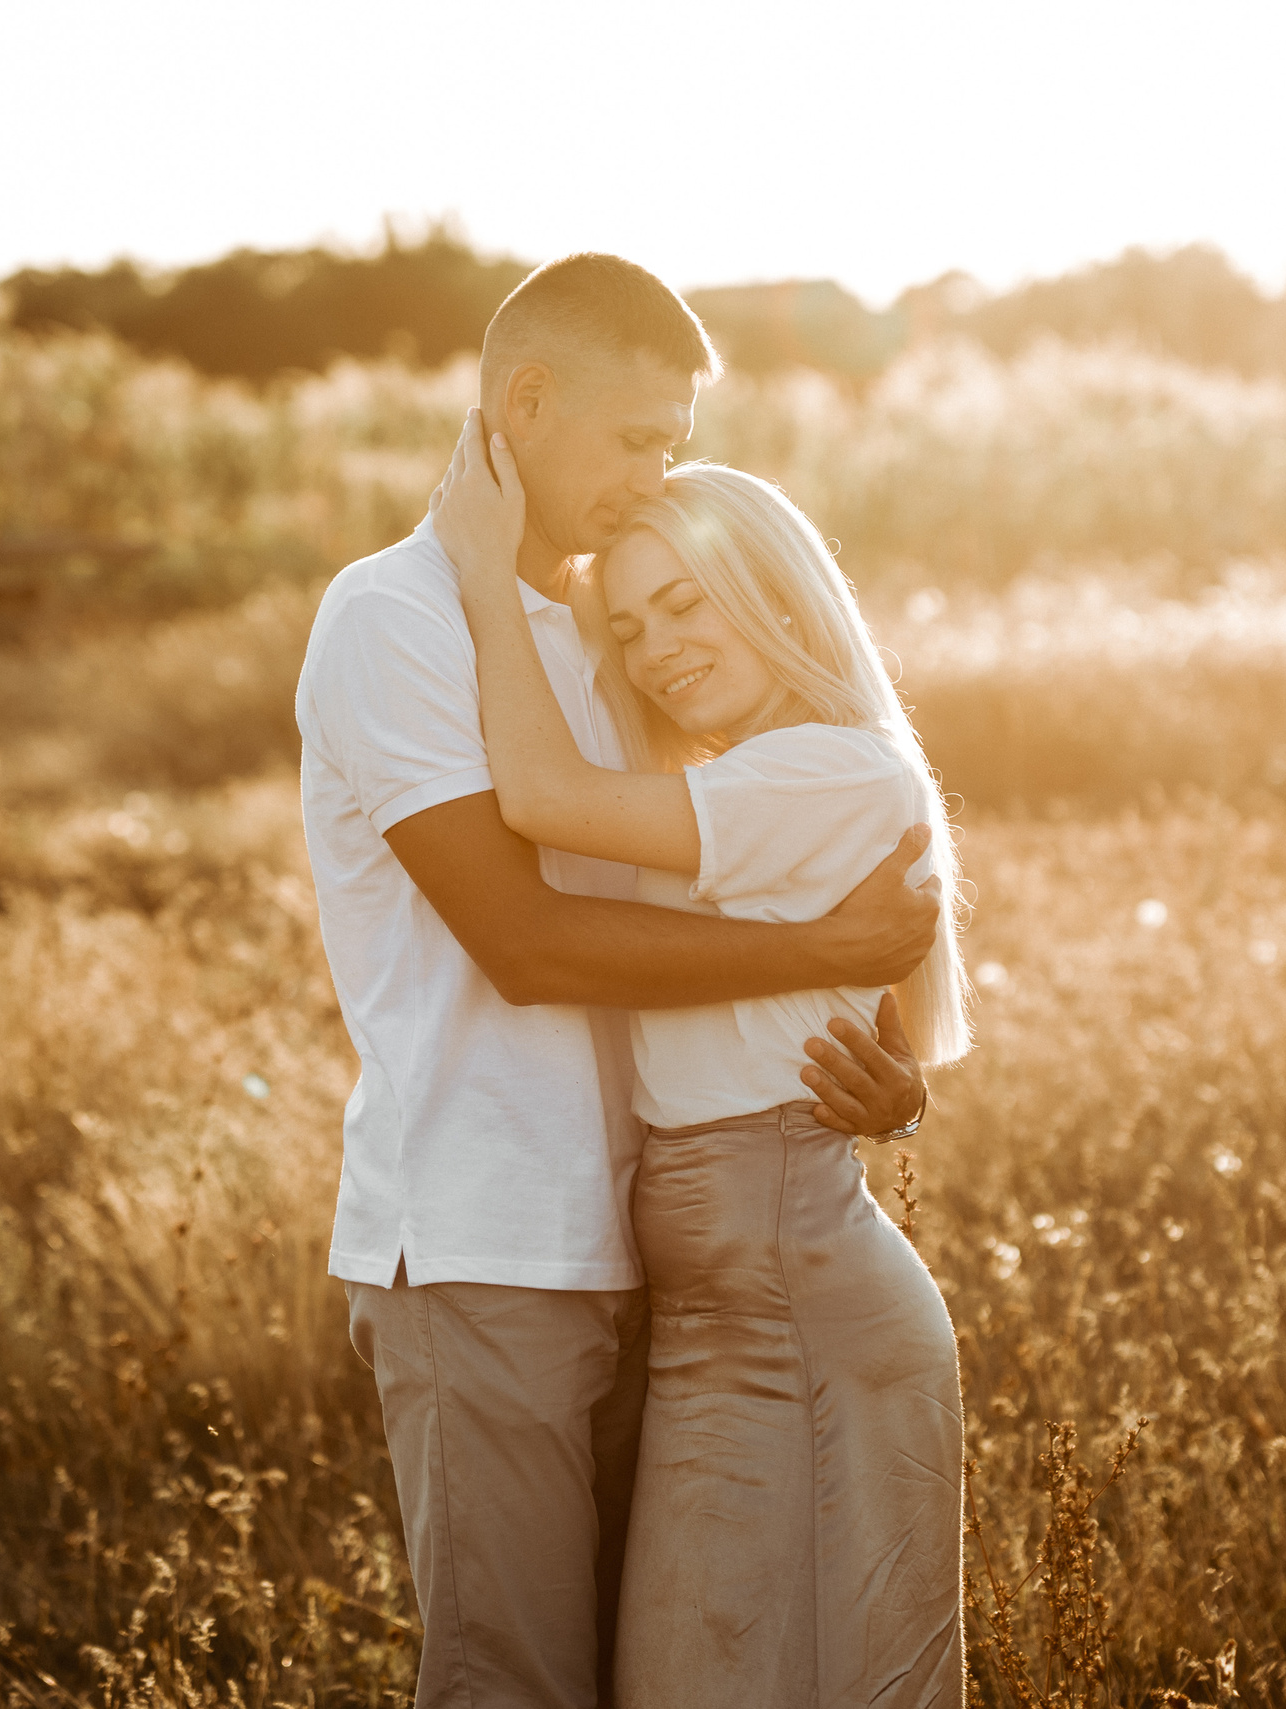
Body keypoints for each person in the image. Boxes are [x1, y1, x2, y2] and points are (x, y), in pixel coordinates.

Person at [292, 253, 938, 1709]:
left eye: (680, 442)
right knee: (514, 1681)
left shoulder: (606, 627)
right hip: (484, 1237)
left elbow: (751, 843)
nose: (664, 470)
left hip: (667, 1245)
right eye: (642, 435)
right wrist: (823, 954)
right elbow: (525, 945)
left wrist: (872, 1049)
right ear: (526, 402)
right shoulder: (392, 619)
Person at [431, 420, 973, 1707]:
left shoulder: (828, 770)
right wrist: (886, 1076)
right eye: (626, 628)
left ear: (774, 593)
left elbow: (545, 796)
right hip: (723, 1305)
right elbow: (835, 1020)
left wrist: (478, 574)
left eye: (684, 603)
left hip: (799, 1300)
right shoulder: (756, 786)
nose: (657, 649)